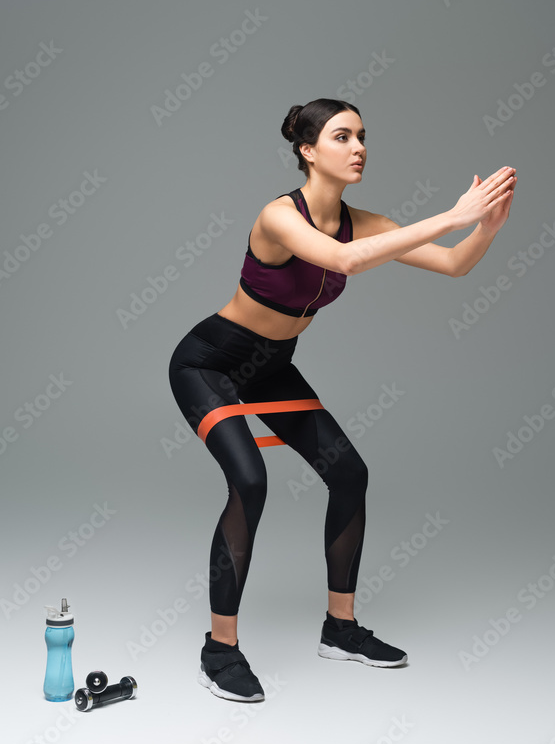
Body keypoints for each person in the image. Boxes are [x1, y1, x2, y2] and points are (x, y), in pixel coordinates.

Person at [168, 98, 516, 702]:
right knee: (250, 483)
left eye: (362, 136)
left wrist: (482, 228)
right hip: (210, 363)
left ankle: (341, 628)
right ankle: (219, 649)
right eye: (341, 136)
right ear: (308, 150)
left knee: (349, 474)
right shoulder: (280, 217)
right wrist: (452, 212)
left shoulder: (365, 220)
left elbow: (456, 265)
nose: (358, 147)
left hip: (273, 368)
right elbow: (345, 260)